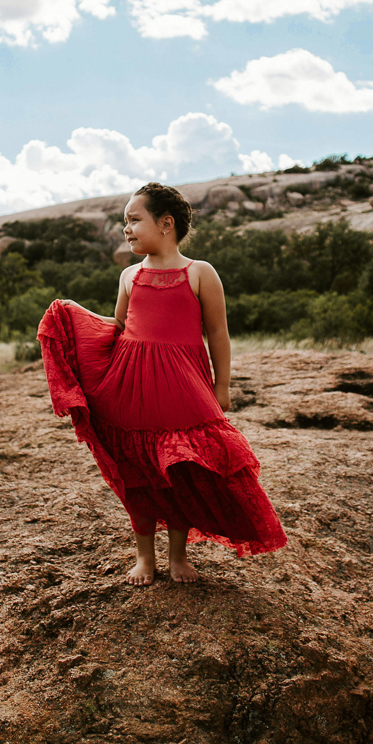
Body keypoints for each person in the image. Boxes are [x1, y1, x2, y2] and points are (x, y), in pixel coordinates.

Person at [37, 181, 287, 586]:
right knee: (138, 472)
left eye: (134, 220)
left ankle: (178, 555)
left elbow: (218, 335)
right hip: (129, 388)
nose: (127, 229)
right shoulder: (128, 276)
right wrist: (71, 321)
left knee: (180, 473)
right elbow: (116, 328)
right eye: (125, 222)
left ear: (166, 224)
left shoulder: (200, 273)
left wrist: (222, 387)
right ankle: (143, 556)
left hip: (183, 388)